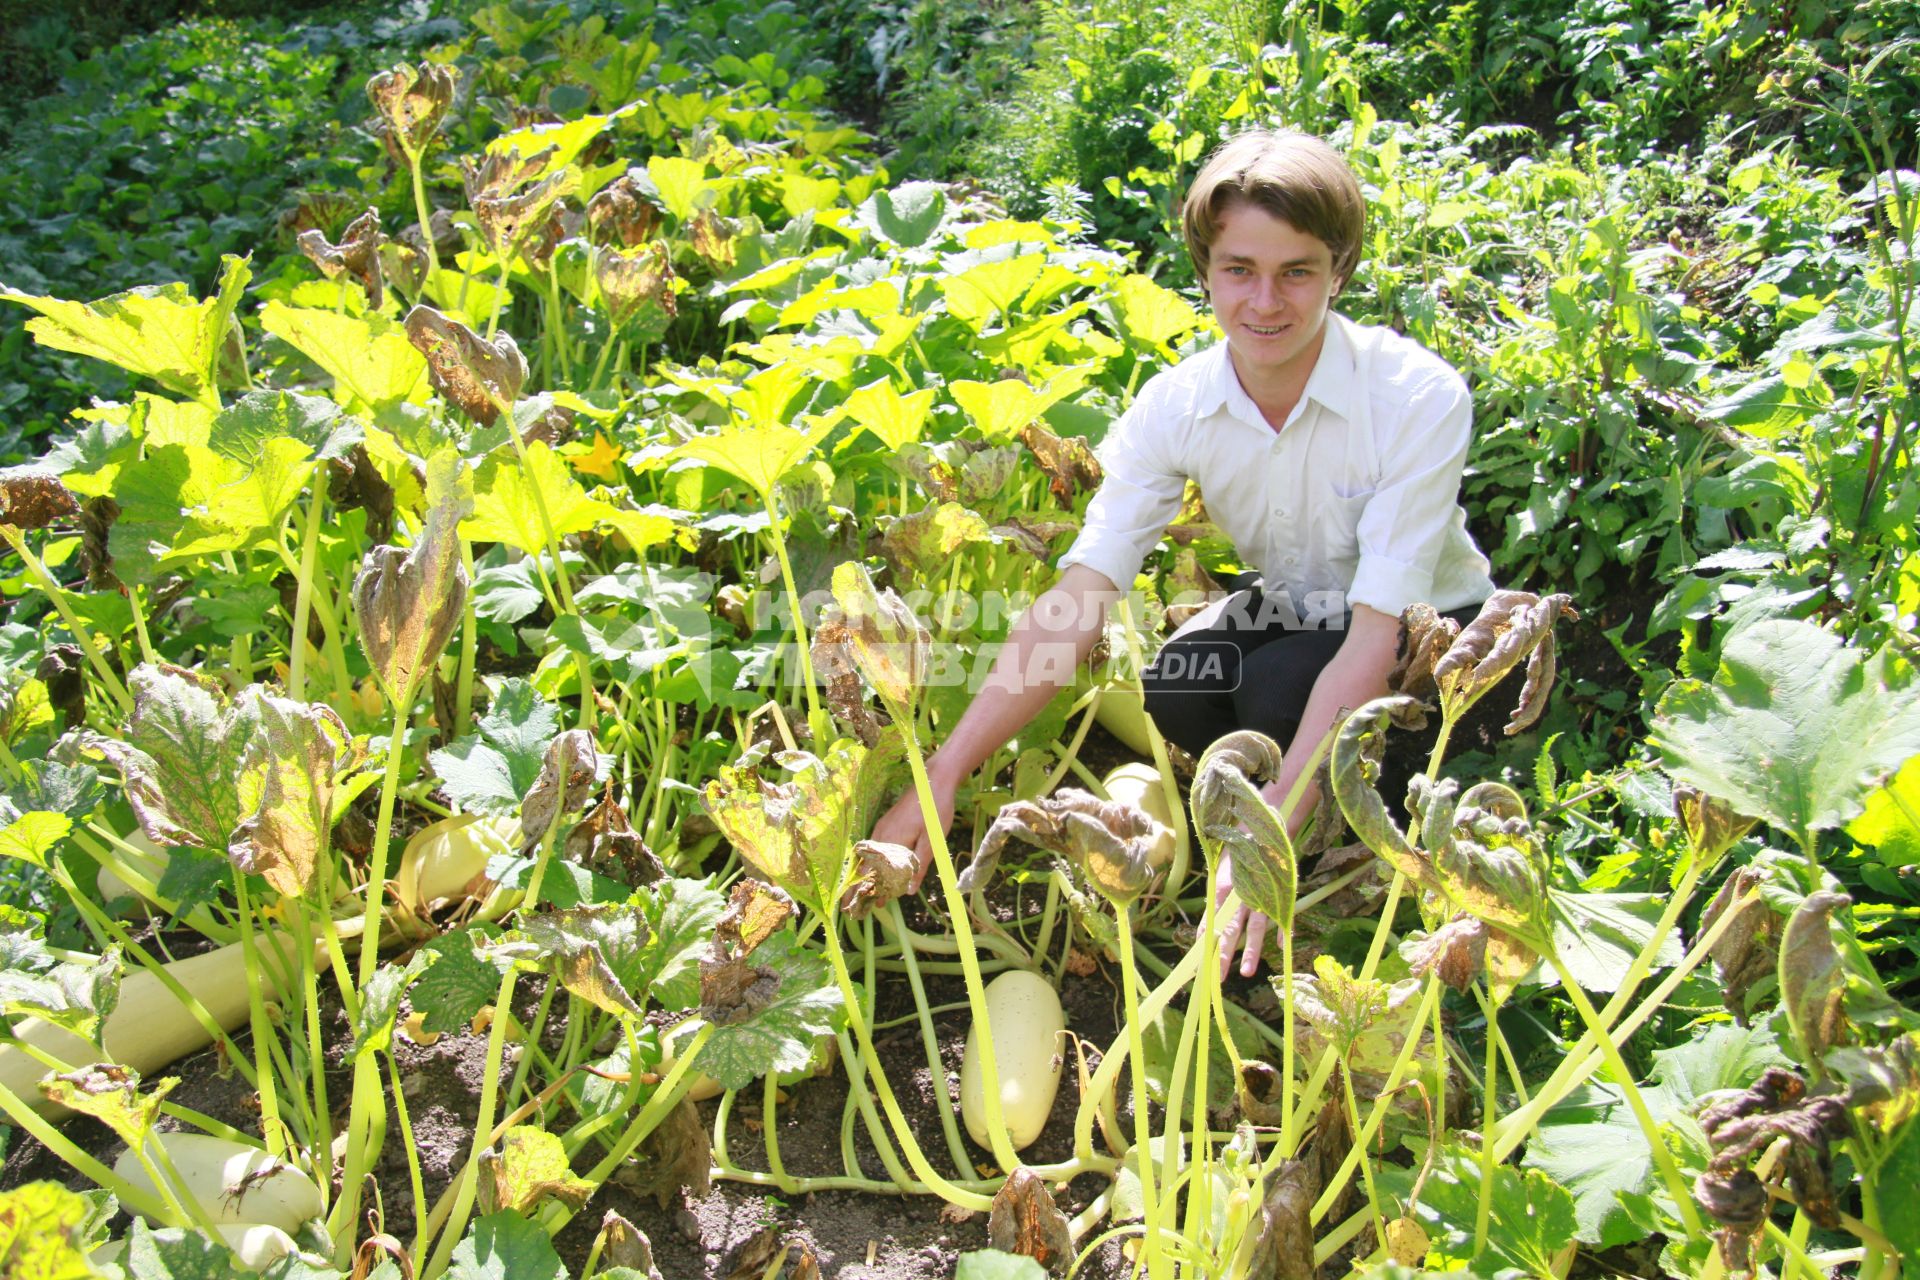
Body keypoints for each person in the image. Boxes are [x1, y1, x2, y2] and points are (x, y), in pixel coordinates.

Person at [870, 128, 1494, 979]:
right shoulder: (1177, 406)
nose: (1264, 302)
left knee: (1280, 690)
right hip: (1302, 605)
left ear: (1339, 269)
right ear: (1205, 271)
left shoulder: (1415, 396)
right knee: (1178, 684)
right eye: (1240, 270)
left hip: (1429, 633)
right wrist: (944, 768)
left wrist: (1268, 832)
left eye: (1296, 272)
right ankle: (1297, 788)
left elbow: (1376, 637)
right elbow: (1080, 597)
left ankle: (1341, 835)